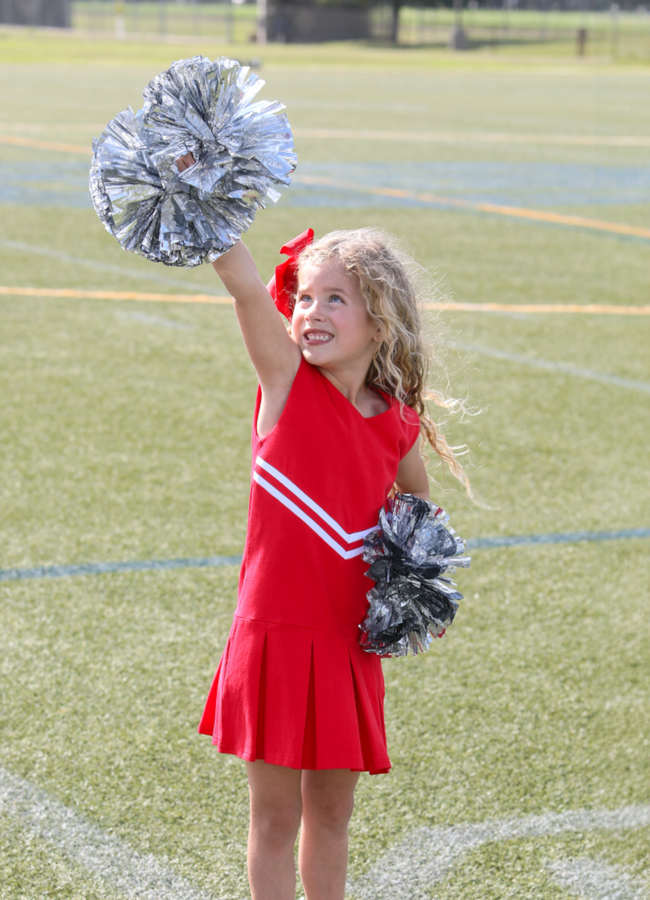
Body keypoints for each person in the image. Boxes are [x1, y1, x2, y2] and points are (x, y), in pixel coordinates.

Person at [196, 225, 467, 900]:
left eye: (335, 299)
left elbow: (419, 508)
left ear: (380, 321)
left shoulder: (396, 422)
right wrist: (202, 202)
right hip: (276, 639)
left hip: (347, 646)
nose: (311, 312)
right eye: (305, 299)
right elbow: (243, 287)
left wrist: (409, 580)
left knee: (332, 814)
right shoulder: (286, 382)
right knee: (274, 817)